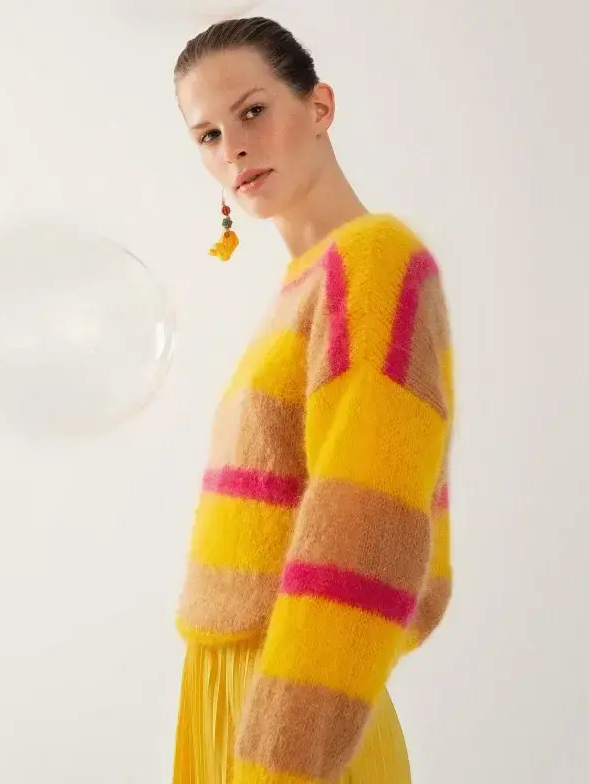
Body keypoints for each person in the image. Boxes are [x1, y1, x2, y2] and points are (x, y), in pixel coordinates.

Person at [172, 16, 454, 784]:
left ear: (319, 107)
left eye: (252, 111)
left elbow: (367, 521)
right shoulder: (306, 284)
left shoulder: (374, 262)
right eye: (207, 134)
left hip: (291, 707)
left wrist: (290, 748)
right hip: (233, 687)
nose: (232, 148)